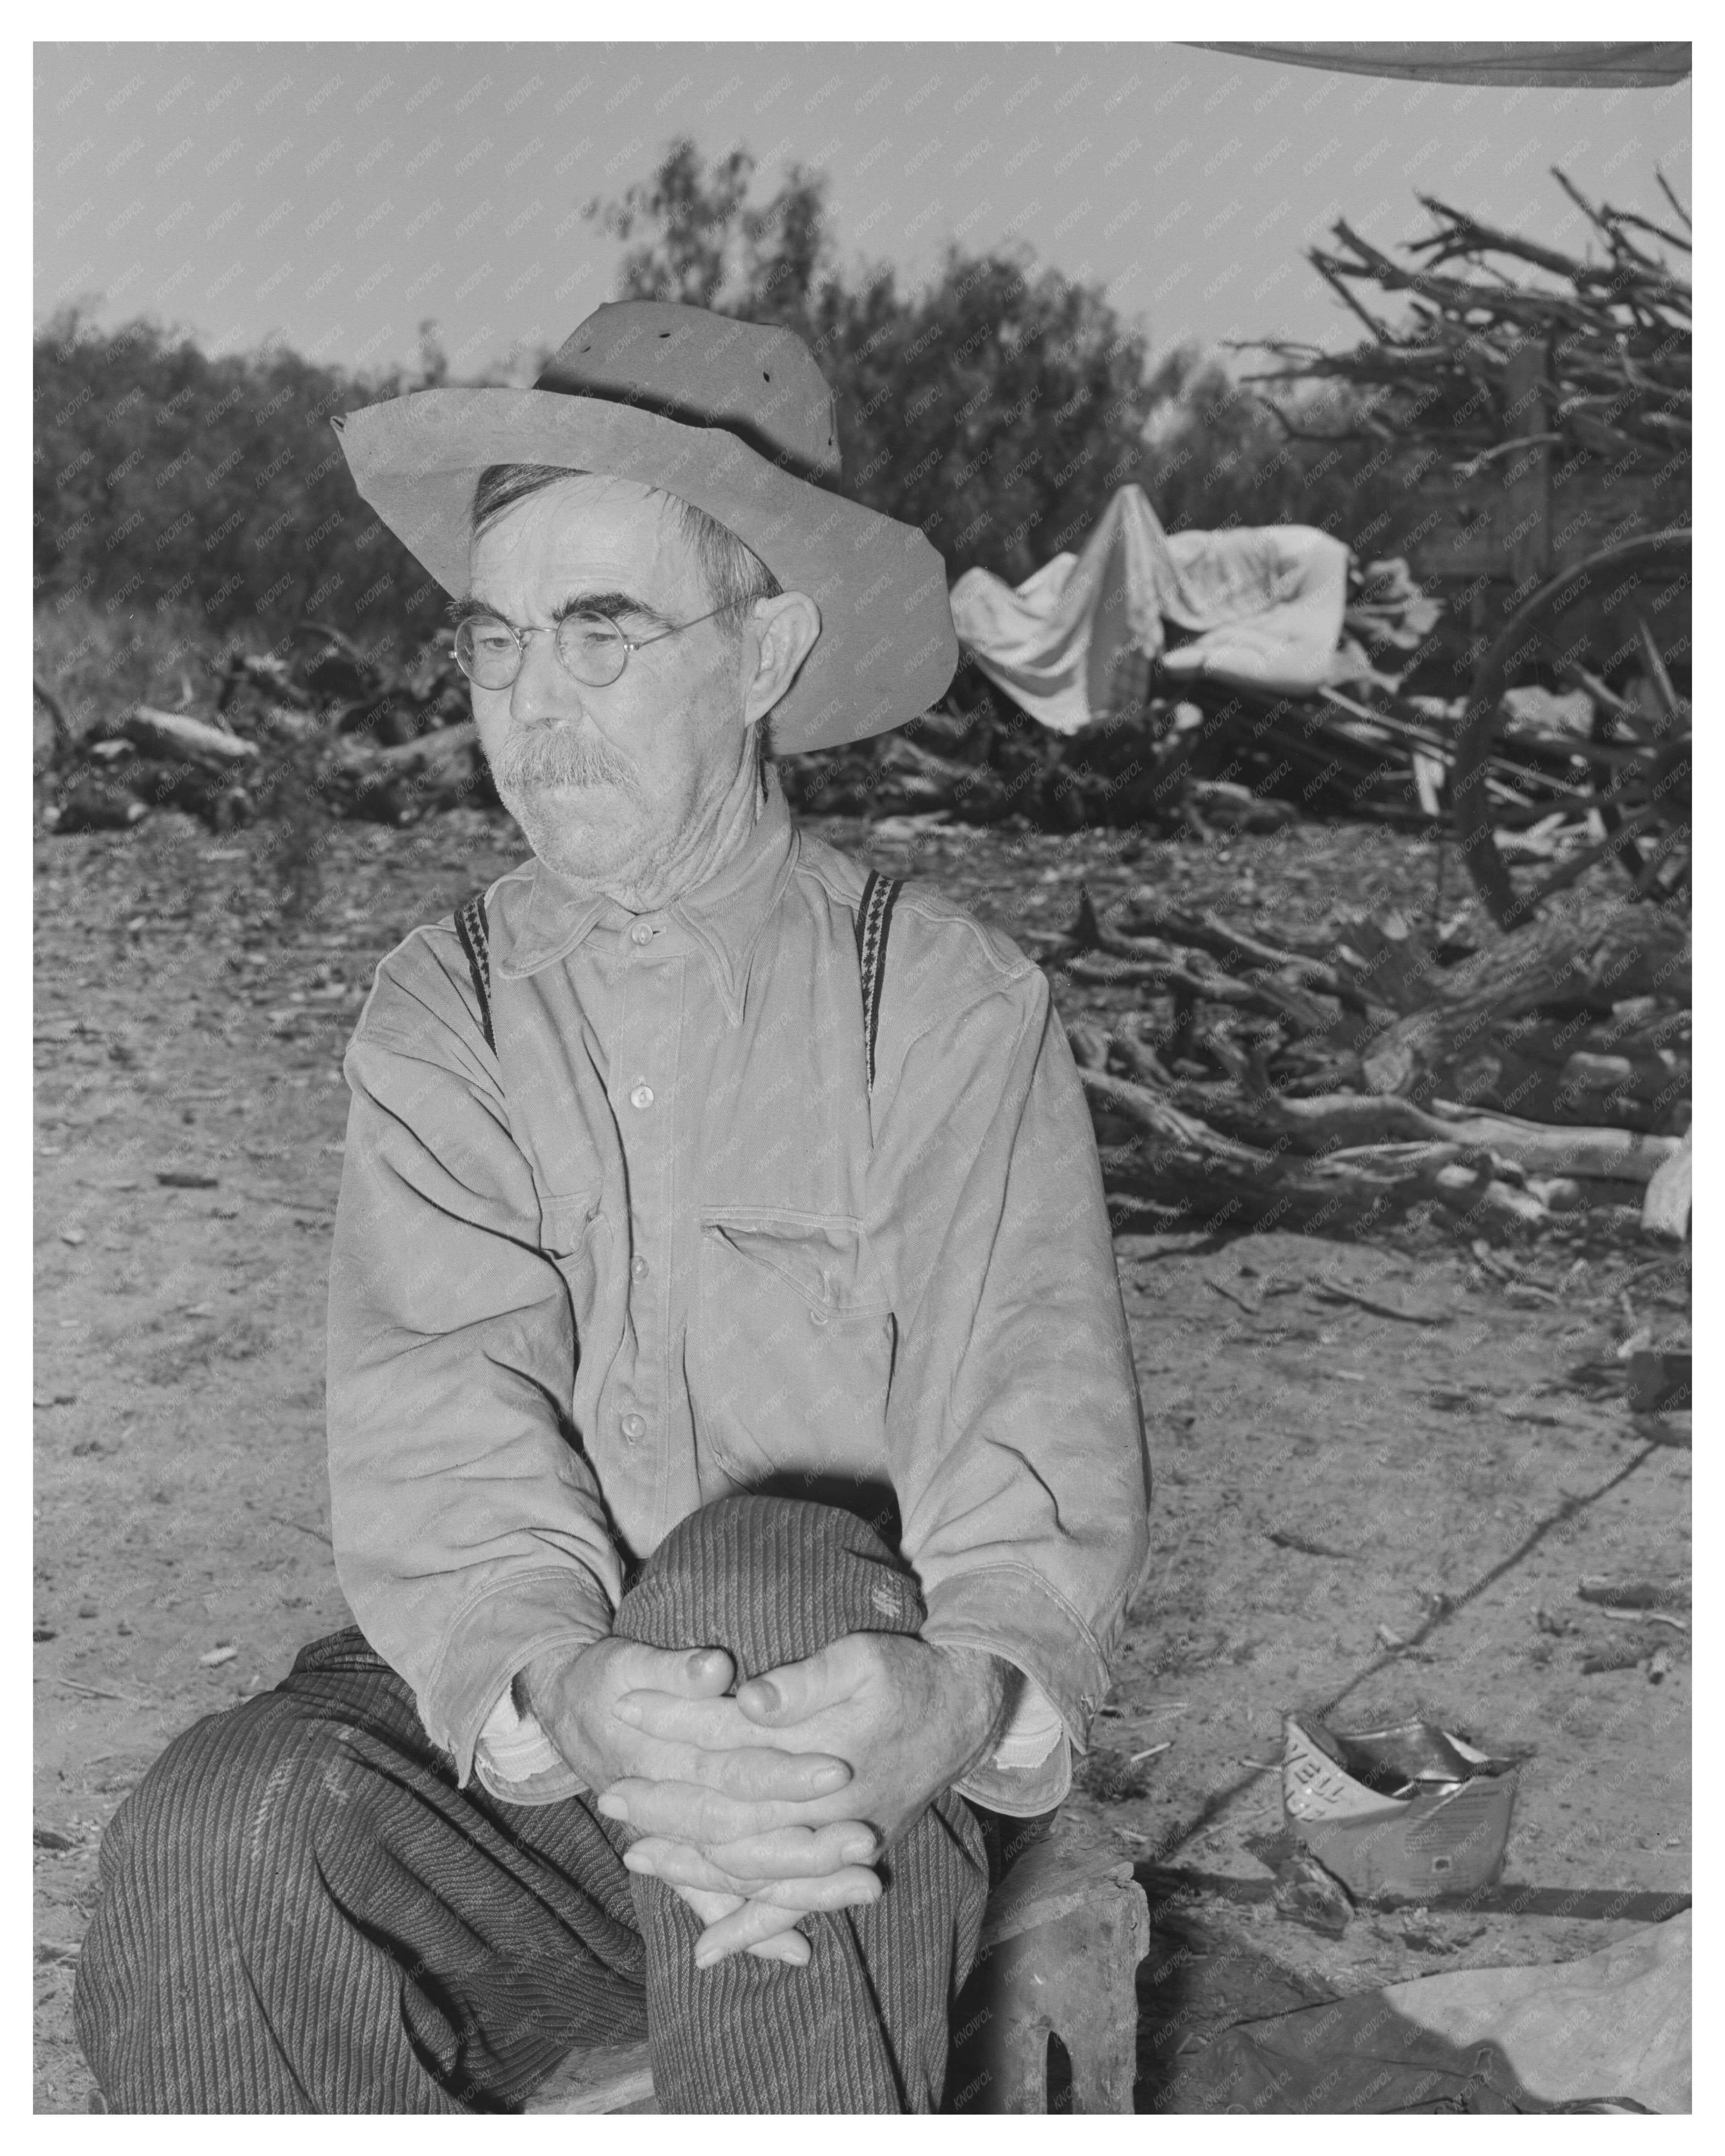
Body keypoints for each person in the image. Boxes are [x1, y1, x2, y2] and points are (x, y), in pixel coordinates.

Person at [74, 301, 1151, 2115]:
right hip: (555, 1751)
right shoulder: (447, 1007)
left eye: (602, 636)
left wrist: (952, 1699)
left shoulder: (941, 1001)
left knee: (769, 1574)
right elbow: (442, 1427)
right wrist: (566, 1688)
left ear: (763, 653)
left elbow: (1023, 1426)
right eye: (494, 646)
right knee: (217, 1833)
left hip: (850, 1758)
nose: (532, 711)